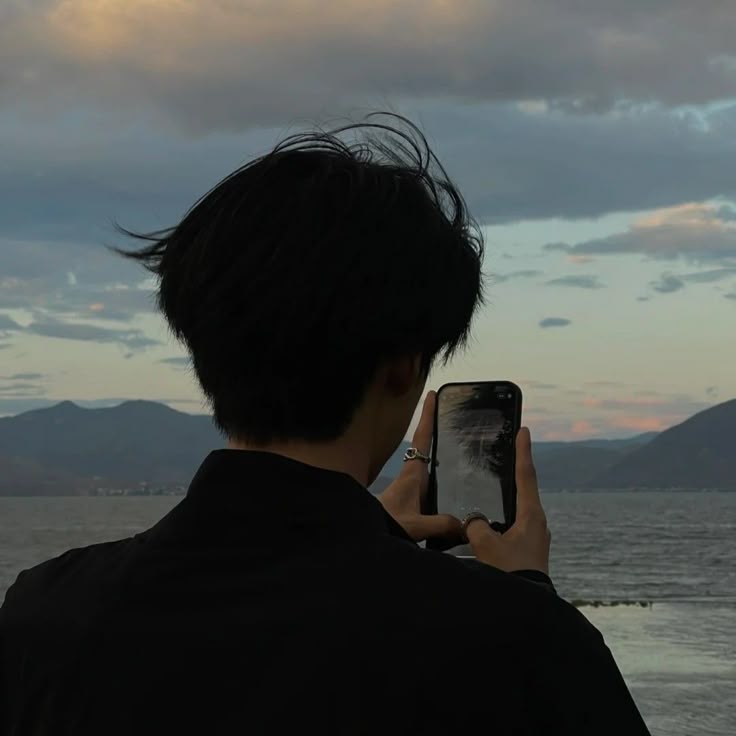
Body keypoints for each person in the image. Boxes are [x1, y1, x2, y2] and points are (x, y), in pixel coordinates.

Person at [0, 113, 650, 735]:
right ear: (404, 366)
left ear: (202, 342)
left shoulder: (42, 613)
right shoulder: (518, 641)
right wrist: (529, 595)